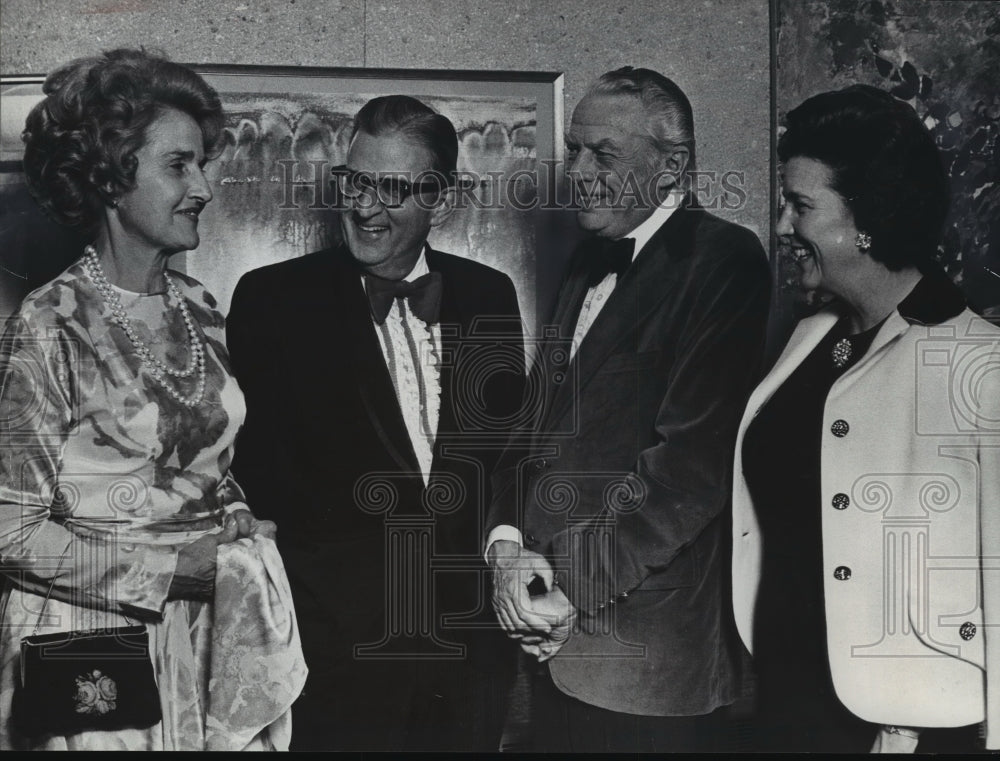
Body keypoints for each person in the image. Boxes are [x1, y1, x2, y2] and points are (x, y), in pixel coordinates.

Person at [0, 48, 306, 751]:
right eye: (179, 165)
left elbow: (203, 460)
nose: (201, 186)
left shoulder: (199, 308)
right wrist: (167, 572)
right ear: (110, 176)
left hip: (203, 630)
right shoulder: (50, 322)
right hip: (86, 636)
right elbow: (11, 529)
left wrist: (232, 515)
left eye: (202, 164)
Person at [227, 94, 526, 751]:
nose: (363, 206)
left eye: (390, 188)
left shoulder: (489, 295)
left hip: (466, 660)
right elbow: (250, 482)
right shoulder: (271, 301)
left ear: (440, 199)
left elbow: (508, 461)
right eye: (354, 181)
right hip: (334, 662)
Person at [485, 66, 771, 752]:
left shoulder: (725, 259)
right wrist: (505, 549)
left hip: (646, 663)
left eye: (602, 155)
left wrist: (564, 588)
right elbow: (534, 429)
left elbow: (687, 471)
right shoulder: (590, 256)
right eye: (575, 151)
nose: (578, 172)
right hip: (549, 641)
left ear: (670, 166)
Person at [731, 84, 1000, 753]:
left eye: (800, 205)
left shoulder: (978, 363)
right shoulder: (809, 334)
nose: (781, 224)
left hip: (907, 727)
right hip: (787, 698)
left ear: (868, 218)